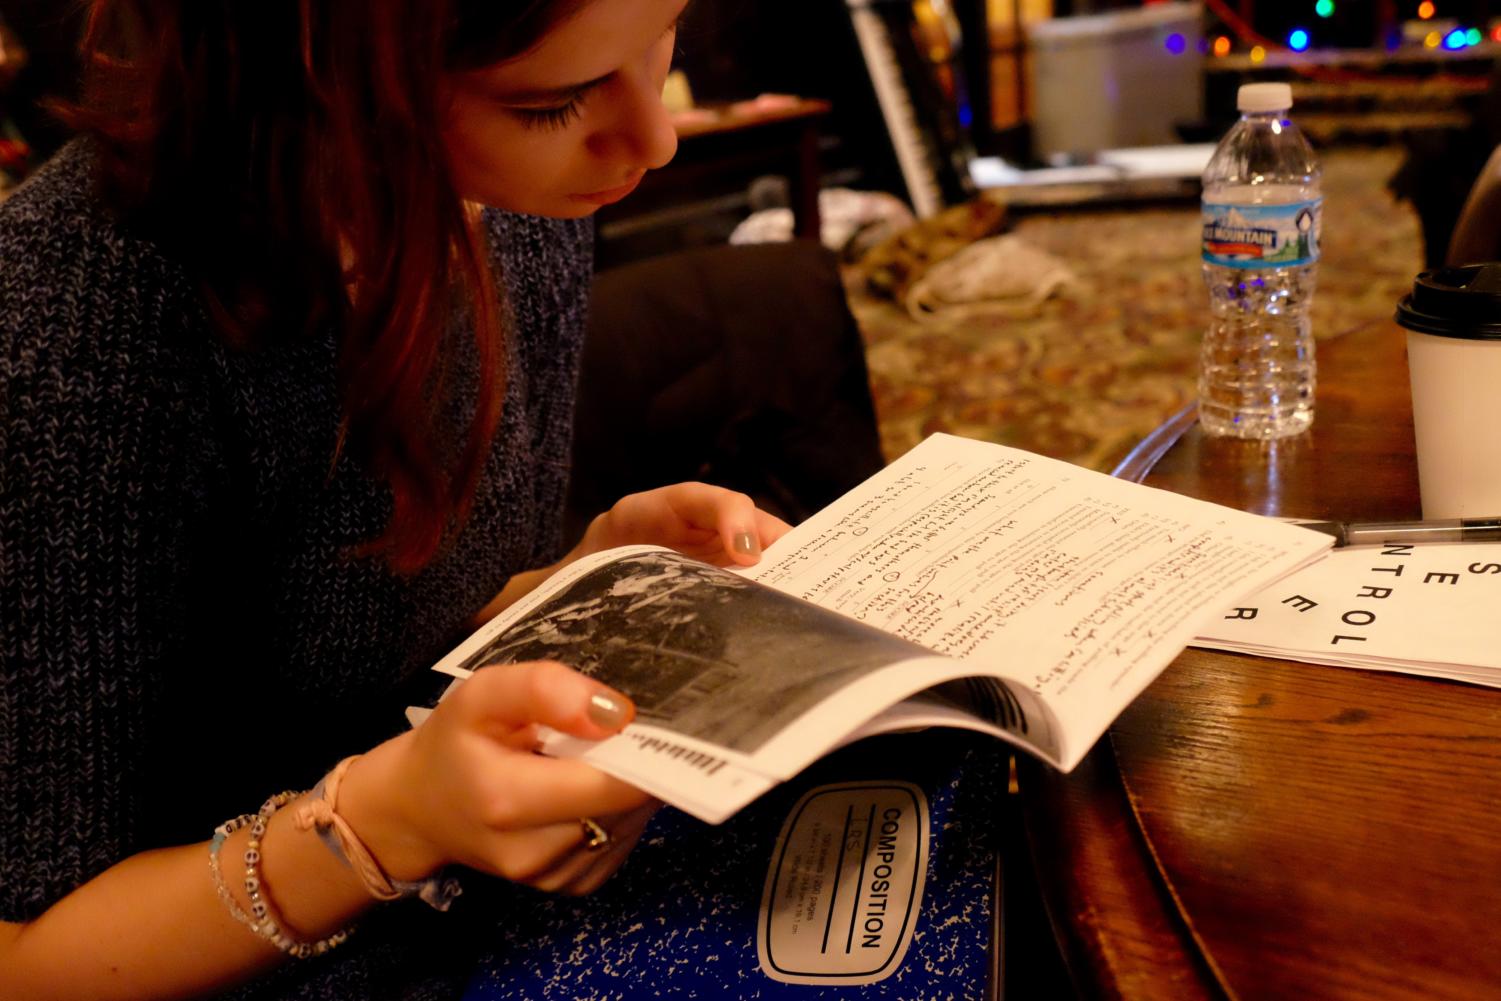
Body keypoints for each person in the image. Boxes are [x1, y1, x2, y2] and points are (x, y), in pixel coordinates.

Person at [0, 0, 792, 998]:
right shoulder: (79, 336)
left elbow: (352, 642)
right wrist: (383, 823)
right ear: (321, 77)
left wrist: (582, 579)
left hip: (461, 902)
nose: (656, 138)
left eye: (665, 34)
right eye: (553, 102)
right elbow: (21, 956)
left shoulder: (507, 205)